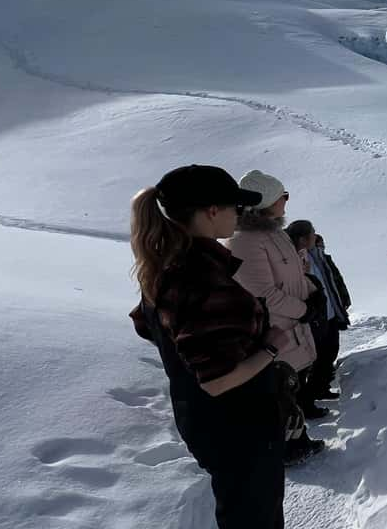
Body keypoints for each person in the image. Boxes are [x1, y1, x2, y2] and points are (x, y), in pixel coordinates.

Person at [129, 165, 294, 528]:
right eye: (234, 205)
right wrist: (270, 347)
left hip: (208, 424)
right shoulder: (201, 278)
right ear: (211, 211)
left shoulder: (166, 266)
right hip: (238, 429)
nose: (240, 213)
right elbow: (217, 380)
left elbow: (148, 326)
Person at [226, 170, 326, 464]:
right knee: (279, 394)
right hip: (277, 332)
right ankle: (282, 451)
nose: (286, 201)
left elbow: (295, 275)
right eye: (283, 196)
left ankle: (298, 441)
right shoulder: (245, 241)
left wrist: (313, 292)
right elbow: (263, 293)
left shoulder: (275, 235)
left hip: (293, 327)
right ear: (267, 201)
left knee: (289, 391)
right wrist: (304, 310)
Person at [285, 222, 347, 401]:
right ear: (302, 239)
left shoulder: (317, 255)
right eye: (312, 233)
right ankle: (306, 399)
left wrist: (340, 303)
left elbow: (332, 281)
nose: (316, 235)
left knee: (328, 354)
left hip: (328, 315)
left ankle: (320, 389)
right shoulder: (292, 259)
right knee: (310, 360)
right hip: (312, 318)